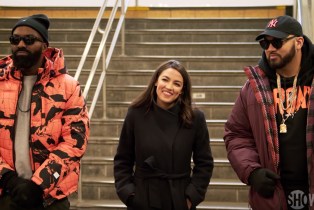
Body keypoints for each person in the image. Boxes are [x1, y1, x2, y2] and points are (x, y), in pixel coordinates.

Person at [224, 15, 314, 210]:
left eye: (277, 42)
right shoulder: (253, 88)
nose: (270, 48)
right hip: (272, 196)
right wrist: (252, 172)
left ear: (298, 42)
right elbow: (236, 134)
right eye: (265, 43)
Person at [0, 14, 90, 209]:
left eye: (29, 39)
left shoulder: (68, 86)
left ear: (44, 46)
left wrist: (38, 186)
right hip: (6, 193)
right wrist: (7, 179)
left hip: (50, 197)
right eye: (15, 40)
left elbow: (75, 141)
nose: (21, 44)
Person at [113, 60, 214, 210]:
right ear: (155, 81)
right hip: (143, 197)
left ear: (182, 90)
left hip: (178, 199)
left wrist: (190, 198)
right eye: (165, 80)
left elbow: (204, 163)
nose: (169, 87)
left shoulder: (195, 118)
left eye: (177, 84)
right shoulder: (136, 113)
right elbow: (123, 159)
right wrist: (130, 195)